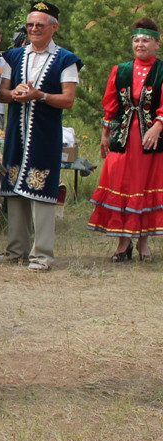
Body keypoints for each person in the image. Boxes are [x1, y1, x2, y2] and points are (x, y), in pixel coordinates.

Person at [0, 1, 82, 271]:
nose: (33, 29)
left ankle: (42, 254)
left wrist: (40, 96)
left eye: (40, 25)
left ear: (53, 28)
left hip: (45, 134)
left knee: (41, 190)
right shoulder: (14, 56)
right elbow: (2, 93)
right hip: (15, 133)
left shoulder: (66, 59)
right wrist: (16, 94)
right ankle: (16, 249)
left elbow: (68, 99)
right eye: (30, 25)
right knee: (13, 189)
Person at [88, 18, 163, 261]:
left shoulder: (161, 70)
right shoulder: (120, 70)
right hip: (123, 136)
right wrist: (104, 135)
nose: (140, 44)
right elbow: (111, 105)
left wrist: (158, 126)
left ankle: (143, 243)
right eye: (137, 40)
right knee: (122, 182)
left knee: (142, 184)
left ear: (156, 44)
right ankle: (123, 244)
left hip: (150, 140)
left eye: (146, 40)